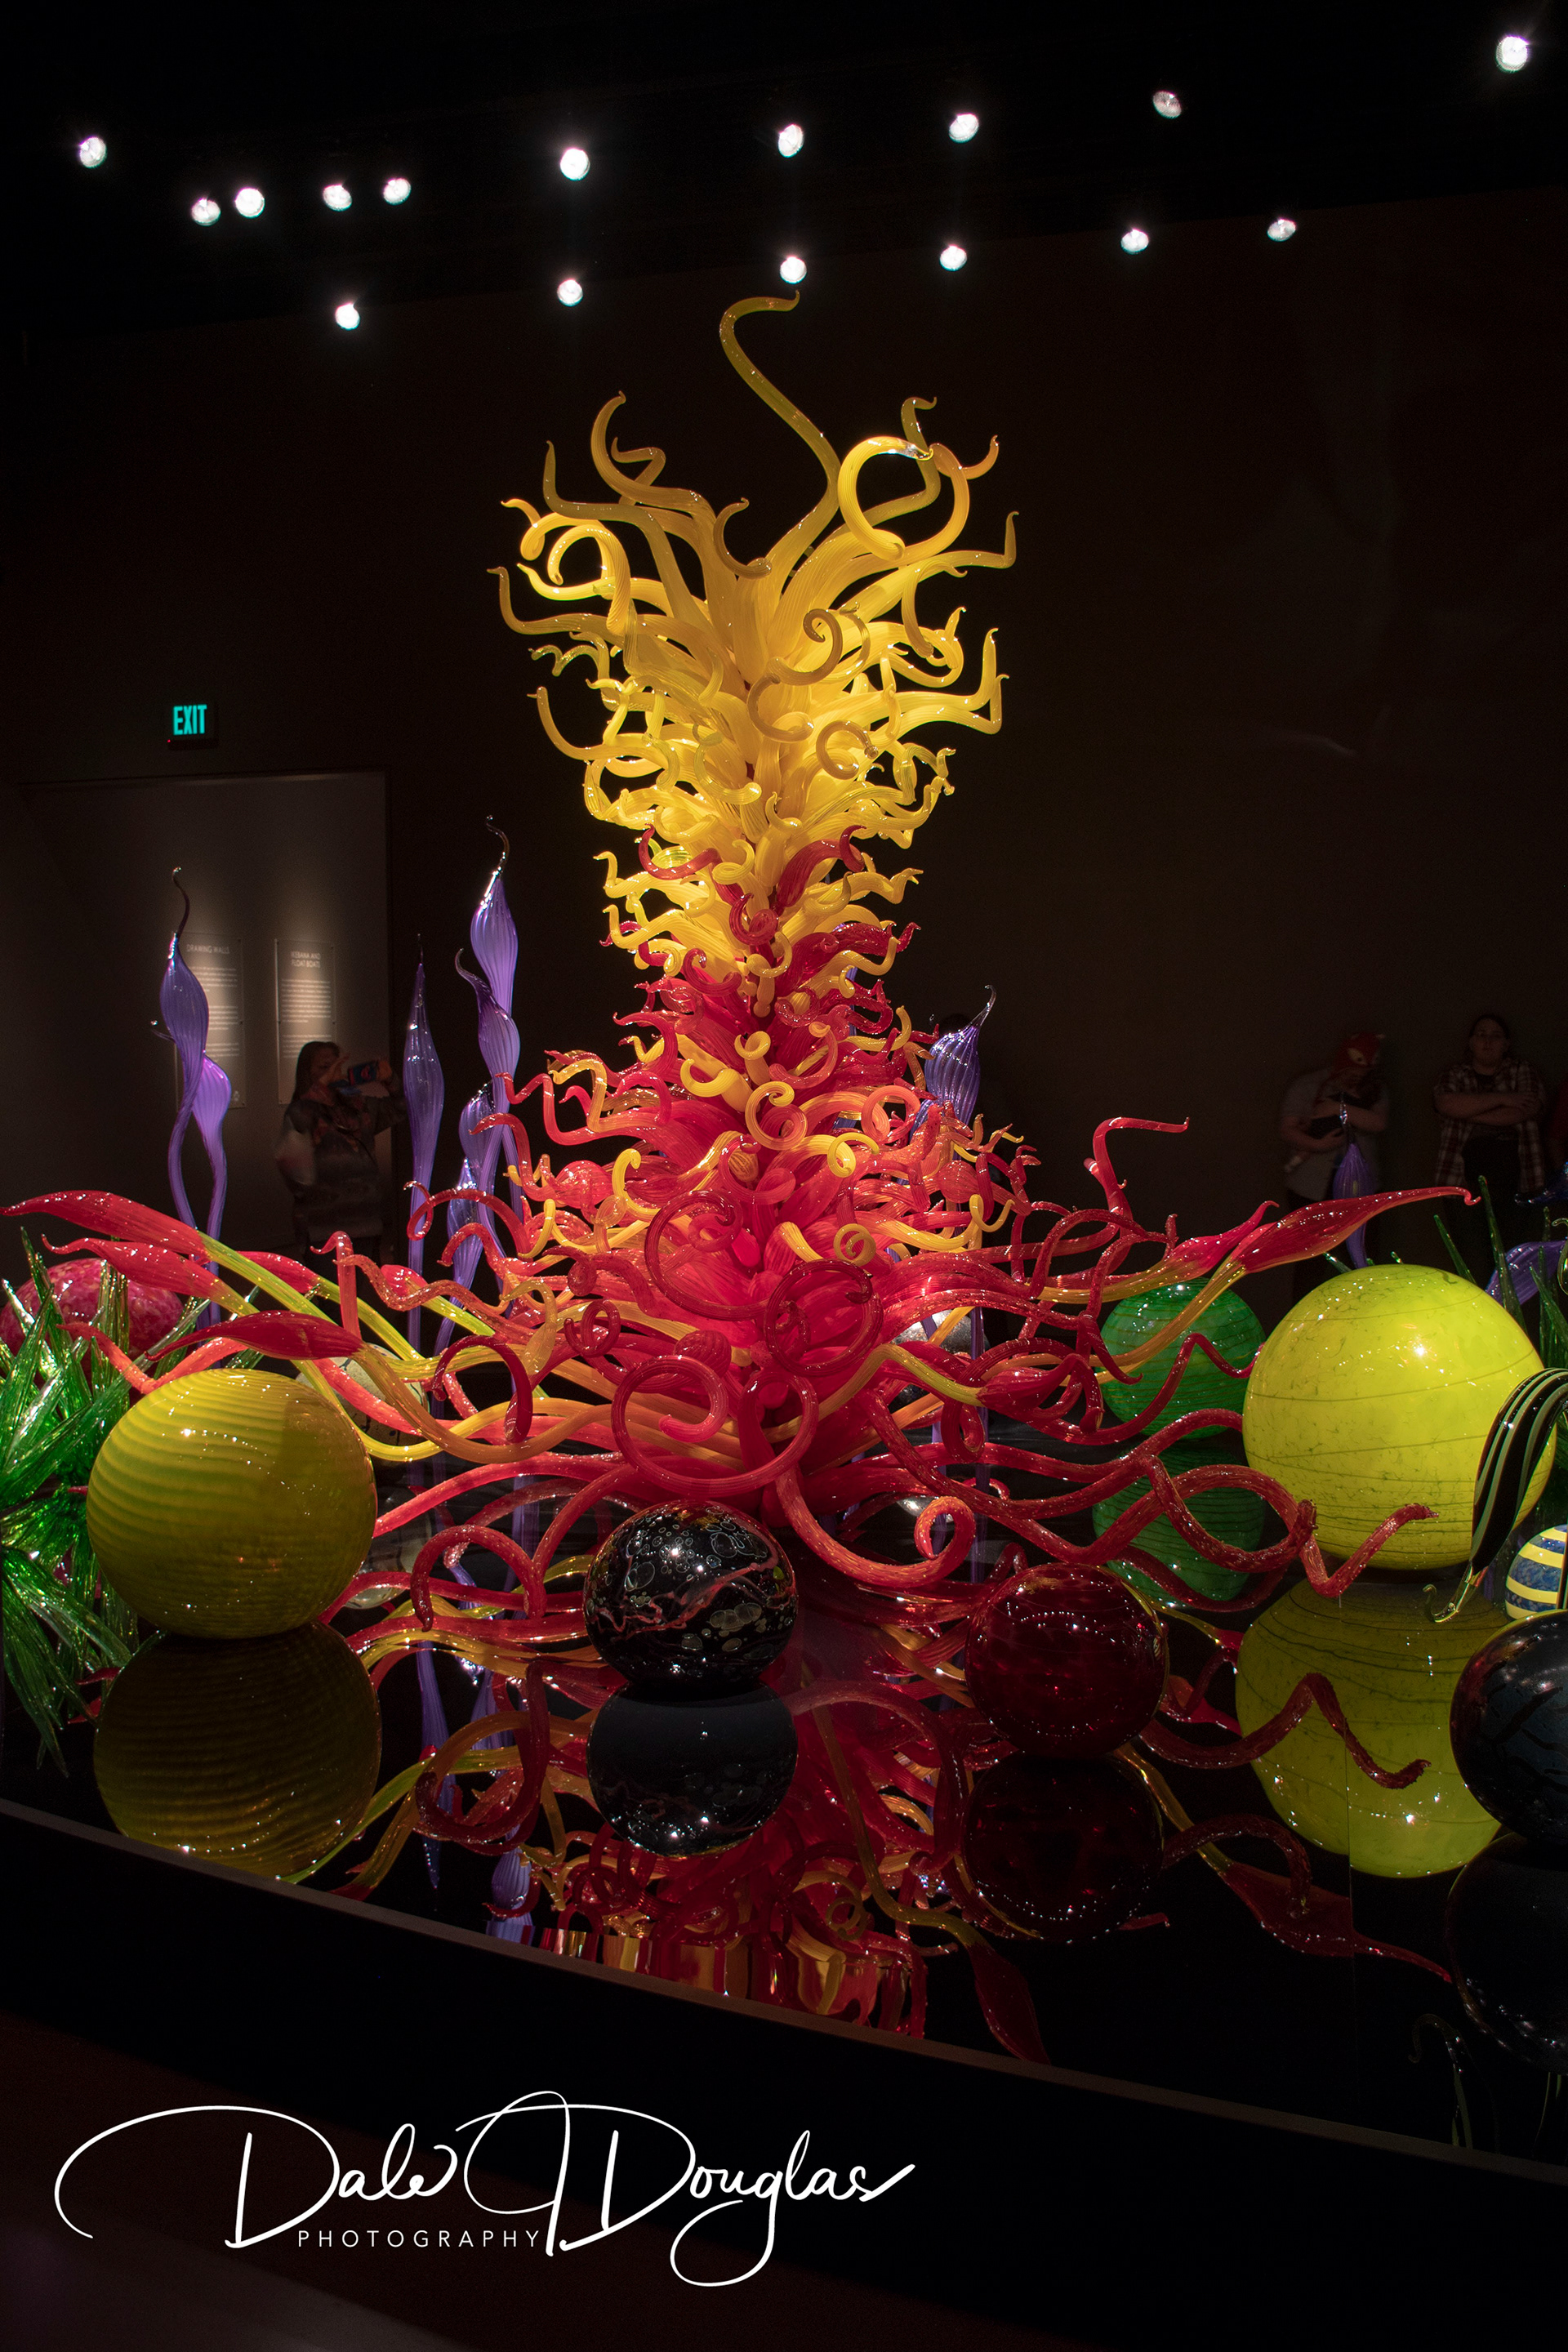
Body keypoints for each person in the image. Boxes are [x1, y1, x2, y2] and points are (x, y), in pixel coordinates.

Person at [1433, 1013, 1546, 1276]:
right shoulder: (1455, 1074)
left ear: (1506, 1044)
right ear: (1471, 1042)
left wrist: (1468, 1110)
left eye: (1495, 1036)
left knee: (1512, 1264)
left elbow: (1524, 1110)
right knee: (1473, 1264)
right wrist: (1504, 1098)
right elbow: (1446, 1103)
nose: (1488, 1042)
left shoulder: (1522, 1070)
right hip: (1462, 1183)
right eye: (1481, 1035)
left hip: (1518, 1183)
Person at [1278, 1031, 1388, 1299]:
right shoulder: (1310, 1085)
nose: (1357, 1076)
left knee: (1360, 1259)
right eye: (1353, 1070)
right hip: (1311, 1187)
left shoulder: (1374, 1090)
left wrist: (1340, 1109)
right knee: (1309, 1262)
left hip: (1359, 1189)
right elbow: (1288, 1128)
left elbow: (1378, 1123)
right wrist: (1317, 1145)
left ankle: (1361, 1312)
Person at [275, 1040, 405, 1259]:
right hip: (323, 1231)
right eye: (324, 1068)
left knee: (363, 1281)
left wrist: (390, 1080)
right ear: (307, 1072)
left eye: (335, 1066)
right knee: (327, 1282)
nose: (332, 1073)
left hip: (366, 1224)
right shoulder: (304, 1110)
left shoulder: (357, 1107)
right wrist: (322, 1086)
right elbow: (296, 1122)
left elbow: (401, 1108)